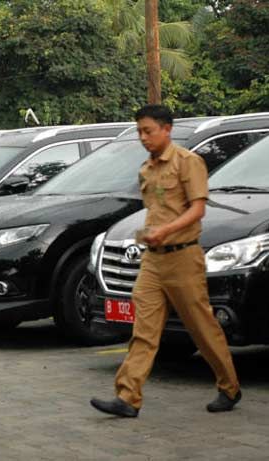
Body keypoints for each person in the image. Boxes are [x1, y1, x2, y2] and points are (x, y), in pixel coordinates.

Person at [90, 105, 241, 417]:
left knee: (202, 328)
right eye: (139, 132)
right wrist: (146, 233)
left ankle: (229, 387)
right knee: (143, 330)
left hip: (183, 258)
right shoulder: (146, 169)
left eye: (149, 131)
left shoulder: (188, 163)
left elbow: (197, 209)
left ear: (167, 129)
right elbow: (155, 211)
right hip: (153, 262)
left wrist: (166, 230)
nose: (143, 137)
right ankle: (128, 398)